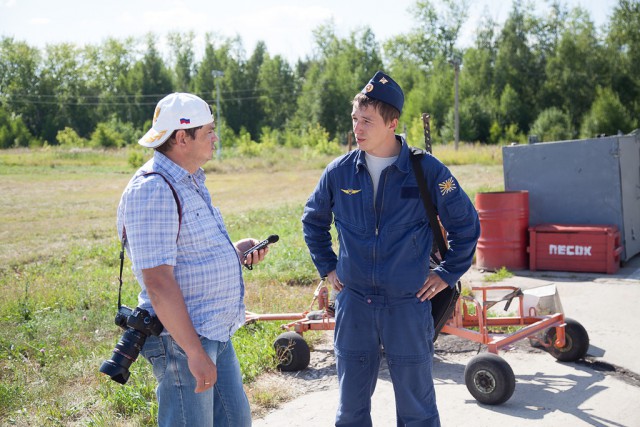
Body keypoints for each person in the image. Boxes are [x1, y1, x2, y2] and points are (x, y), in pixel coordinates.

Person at [302, 71, 481, 426]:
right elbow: (313, 221)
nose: (358, 127)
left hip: (407, 305)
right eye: (355, 119)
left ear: (392, 123)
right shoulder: (338, 173)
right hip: (354, 305)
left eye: (367, 120)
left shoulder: (426, 171)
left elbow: (466, 225)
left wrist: (447, 274)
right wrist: (329, 267)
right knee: (350, 410)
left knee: (417, 410)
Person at [117, 92, 268, 427]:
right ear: (182, 137)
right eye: (209, 131)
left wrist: (235, 251)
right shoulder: (153, 189)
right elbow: (157, 282)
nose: (215, 137)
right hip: (183, 341)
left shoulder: (189, 179)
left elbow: (188, 253)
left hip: (213, 331)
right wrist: (194, 354)